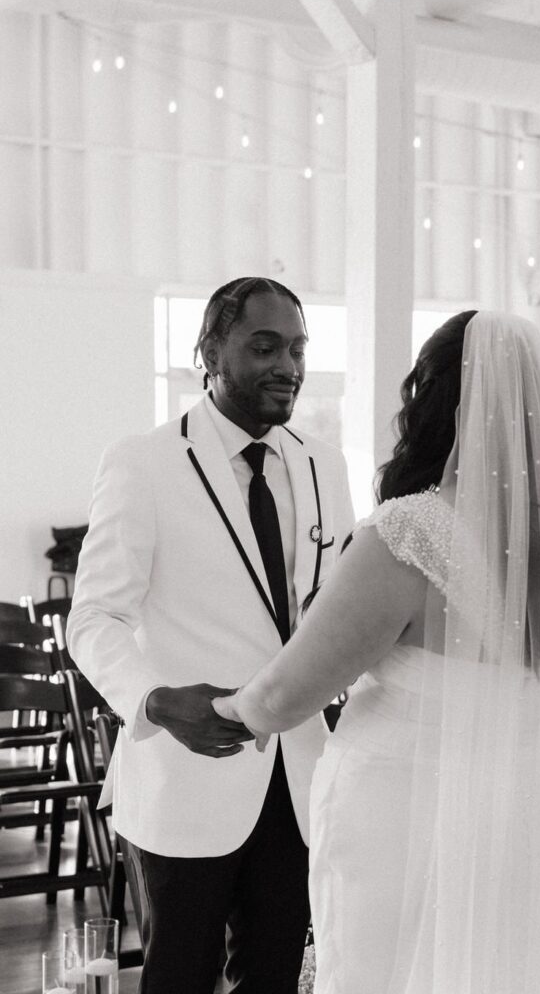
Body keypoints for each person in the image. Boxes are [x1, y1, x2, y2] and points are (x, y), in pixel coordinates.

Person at [214, 310, 540, 994]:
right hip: (537, 807)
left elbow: (285, 696)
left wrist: (221, 709)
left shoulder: (412, 533)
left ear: (434, 402)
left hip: (406, 821)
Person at [67, 277, 355, 994]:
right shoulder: (144, 462)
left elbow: (328, 606)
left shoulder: (324, 464)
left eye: (297, 349)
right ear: (210, 351)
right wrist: (157, 702)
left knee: (274, 977)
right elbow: (95, 618)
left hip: (298, 775)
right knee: (179, 979)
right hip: (185, 777)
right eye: (264, 347)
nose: (287, 366)